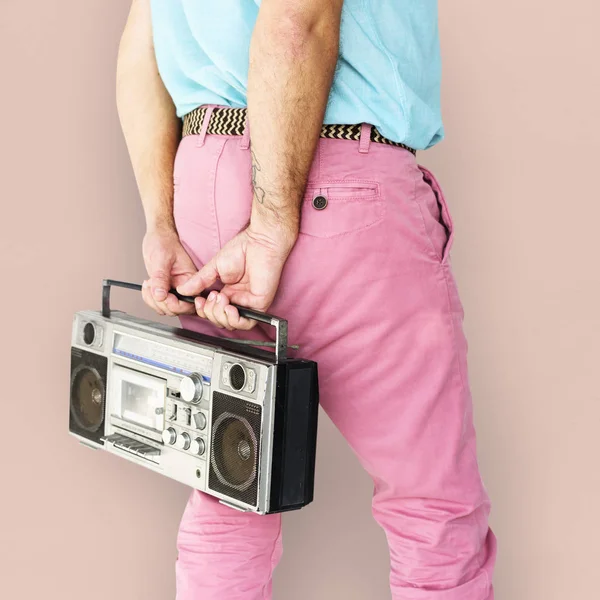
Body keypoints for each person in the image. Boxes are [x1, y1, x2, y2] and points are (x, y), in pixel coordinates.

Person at [116, 1, 497, 598]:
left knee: (232, 490)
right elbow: (299, 18)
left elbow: (141, 48)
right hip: (334, 182)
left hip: (201, 192)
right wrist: (270, 222)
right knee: (431, 511)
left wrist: (160, 220)